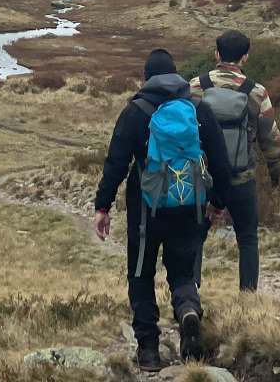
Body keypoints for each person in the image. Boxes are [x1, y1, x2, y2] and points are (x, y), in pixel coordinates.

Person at [95, 49, 232, 370]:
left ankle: (148, 350)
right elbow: (221, 163)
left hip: (146, 212)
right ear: (177, 76)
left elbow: (116, 162)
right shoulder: (198, 109)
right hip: (190, 205)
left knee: (141, 275)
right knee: (183, 272)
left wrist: (102, 205)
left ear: (147, 78)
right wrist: (218, 202)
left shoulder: (136, 111)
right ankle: (187, 313)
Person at [189, 29, 280, 293]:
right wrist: (277, 174)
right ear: (246, 56)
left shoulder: (195, 87)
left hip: (203, 177)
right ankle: (247, 297)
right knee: (248, 238)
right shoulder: (257, 93)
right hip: (241, 177)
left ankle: (191, 296)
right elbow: (271, 139)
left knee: (195, 236)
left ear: (217, 53)